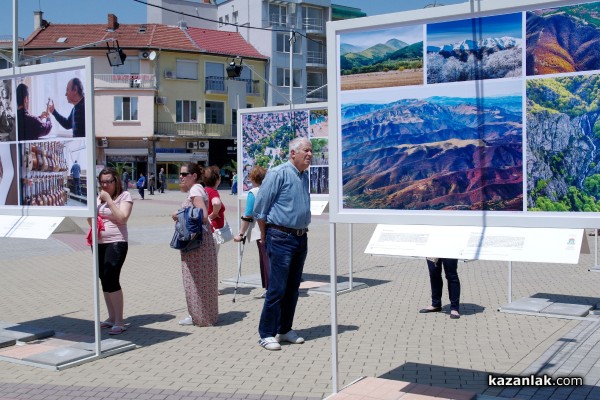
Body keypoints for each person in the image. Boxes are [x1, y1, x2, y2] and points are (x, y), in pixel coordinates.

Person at [254, 137, 312, 351]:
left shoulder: (303, 176)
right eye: (305, 150)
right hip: (280, 237)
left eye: (311, 151)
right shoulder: (278, 173)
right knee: (277, 289)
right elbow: (260, 208)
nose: (310, 154)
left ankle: (285, 329)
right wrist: (264, 236)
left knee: (292, 288)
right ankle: (266, 333)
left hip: (300, 237)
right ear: (292, 154)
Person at [173, 163, 218, 327]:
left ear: (193, 176)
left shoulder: (195, 190)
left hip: (196, 242)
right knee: (201, 279)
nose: (181, 177)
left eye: (184, 174)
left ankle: (200, 317)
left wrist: (178, 215)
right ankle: (202, 315)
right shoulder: (197, 189)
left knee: (195, 280)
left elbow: (203, 216)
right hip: (199, 241)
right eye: (180, 174)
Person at [90, 167, 133, 335]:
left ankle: (120, 321)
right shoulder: (98, 198)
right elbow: (90, 219)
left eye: (109, 181)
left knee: (111, 277)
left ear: (116, 181)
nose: (105, 185)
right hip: (99, 241)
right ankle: (111, 317)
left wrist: (108, 200)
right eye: (102, 182)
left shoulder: (124, 196)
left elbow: (123, 217)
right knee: (103, 278)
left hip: (117, 242)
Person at [234, 165, 268, 294]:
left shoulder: (253, 193)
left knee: (265, 260)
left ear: (253, 178)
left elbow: (248, 215)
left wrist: (241, 234)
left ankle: (270, 288)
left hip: (260, 232)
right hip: (272, 229)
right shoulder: (268, 190)